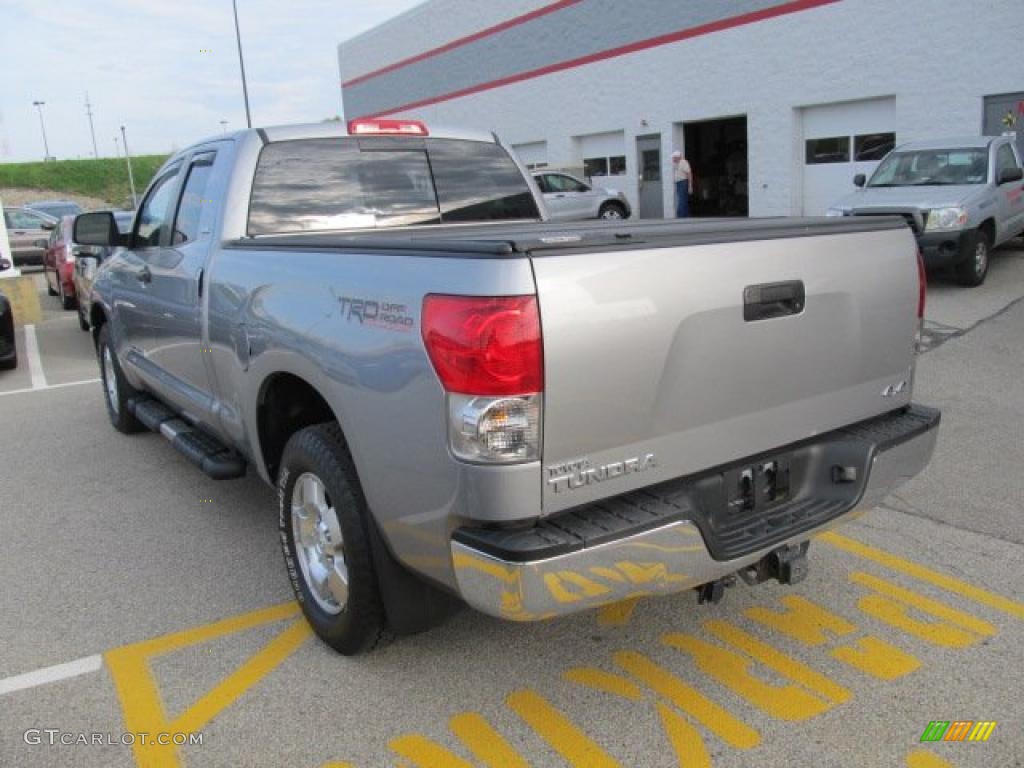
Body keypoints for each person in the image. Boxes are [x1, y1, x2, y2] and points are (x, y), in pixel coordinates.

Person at [671, 150, 694, 218]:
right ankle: (685, 215)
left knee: (681, 199)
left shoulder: (683, 162)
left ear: (677, 157)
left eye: (674, 157)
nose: (672, 159)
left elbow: (689, 173)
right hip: (678, 183)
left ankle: (680, 215)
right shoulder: (676, 164)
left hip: (683, 182)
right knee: (683, 199)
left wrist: (690, 186)